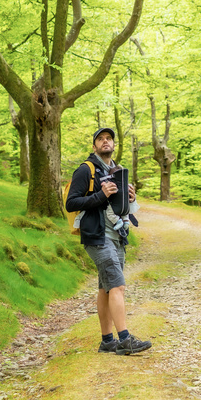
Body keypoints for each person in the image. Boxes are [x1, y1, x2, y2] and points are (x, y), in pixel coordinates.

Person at [65, 126, 151, 355]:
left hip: (118, 236)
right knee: (117, 285)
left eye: (109, 139)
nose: (105, 142)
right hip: (97, 236)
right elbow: (71, 203)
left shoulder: (118, 170)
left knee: (106, 288)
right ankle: (124, 339)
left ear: (113, 145)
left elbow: (121, 207)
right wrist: (101, 195)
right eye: (100, 139)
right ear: (94, 146)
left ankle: (107, 341)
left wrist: (130, 198)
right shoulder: (86, 170)